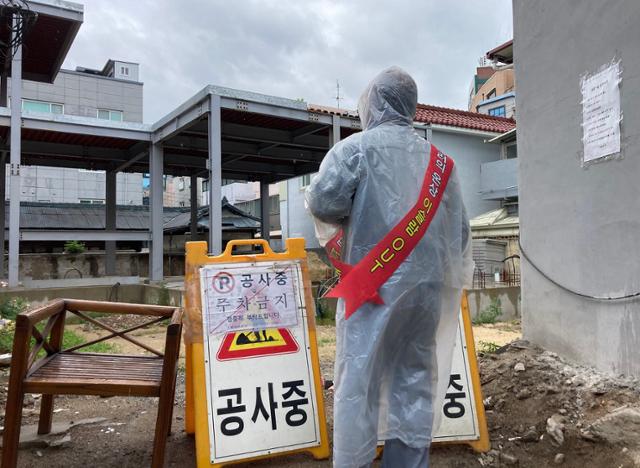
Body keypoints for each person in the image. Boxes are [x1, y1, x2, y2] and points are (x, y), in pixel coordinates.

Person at [305, 66, 473, 468]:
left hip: (371, 287)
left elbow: (324, 203)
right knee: (415, 378)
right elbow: (461, 235)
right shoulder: (442, 165)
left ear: (373, 102)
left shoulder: (354, 150)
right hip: (426, 292)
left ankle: (353, 462)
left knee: (358, 380)